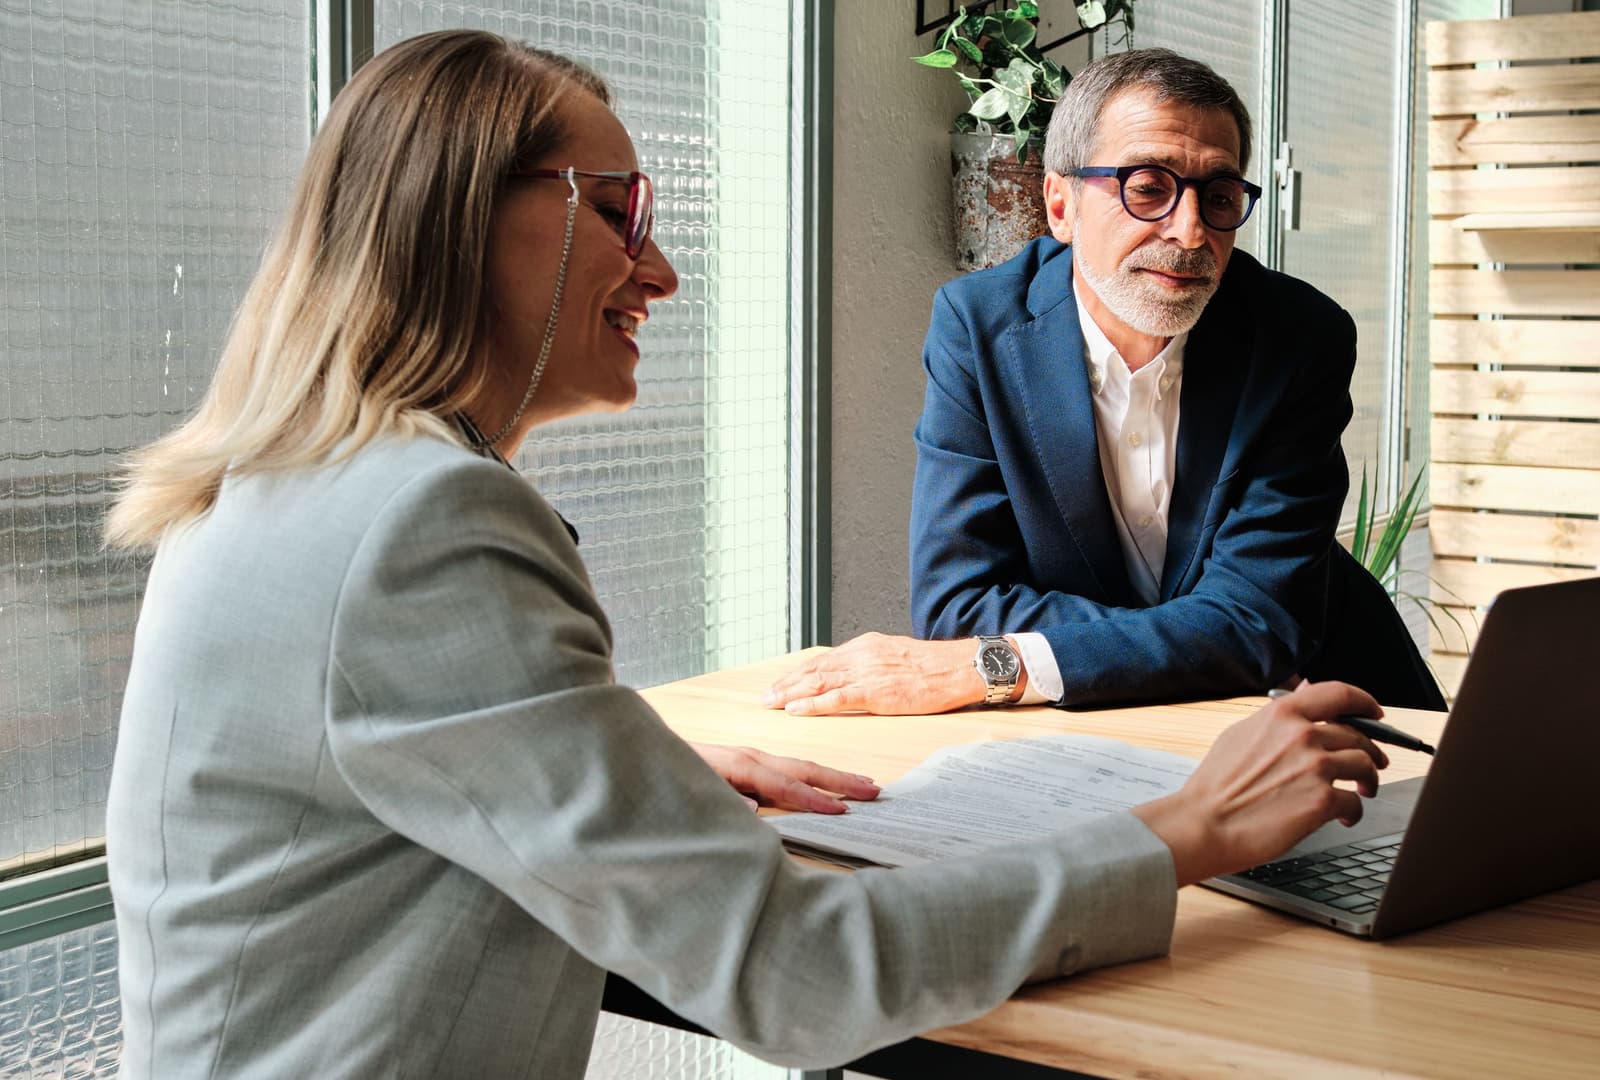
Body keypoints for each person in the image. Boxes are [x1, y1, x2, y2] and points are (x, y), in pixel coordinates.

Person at [101, 31, 1386, 1078]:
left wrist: (614, 763)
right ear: (457, 223)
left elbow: (360, 769)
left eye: (1221, 192)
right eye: (619, 211)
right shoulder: (423, 524)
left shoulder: (284, 479)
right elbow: (797, 973)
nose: (658, 268)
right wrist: (1186, 831)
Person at [765, 49, 1355, 716]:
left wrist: (1011, 660)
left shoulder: (1300, 339)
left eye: (1218, 196)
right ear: (1060, 205)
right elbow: (958, 603)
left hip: (1301, 708)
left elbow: (1256, 621)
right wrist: (1184, 636)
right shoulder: (979, 329)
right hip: (1079, 730)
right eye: (1148, 186)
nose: (1191, 232)